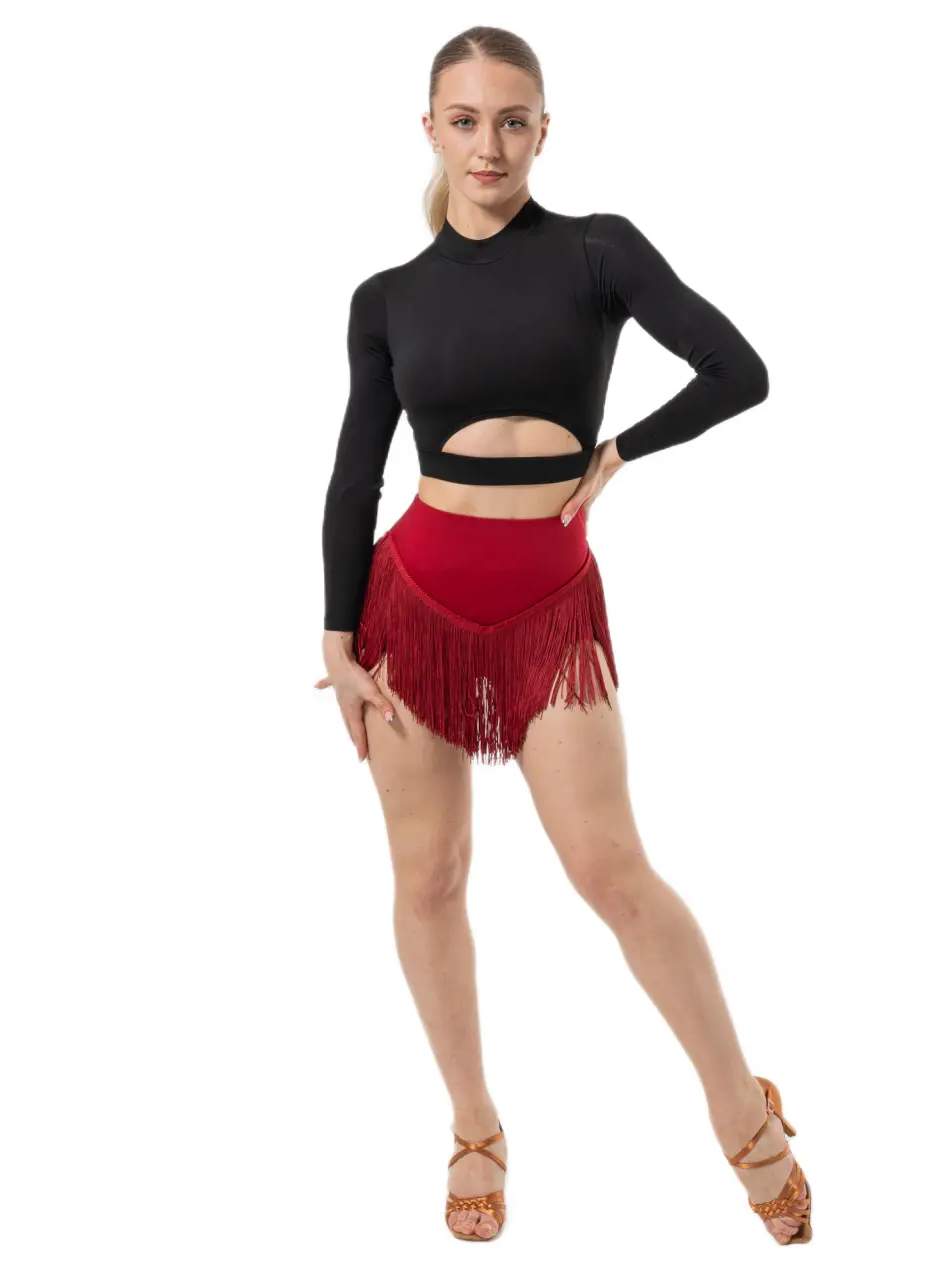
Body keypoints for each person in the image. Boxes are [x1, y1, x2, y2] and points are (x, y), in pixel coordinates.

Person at [315, 26, 811, 1246]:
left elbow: (736, 369)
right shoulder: (386, 298)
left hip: (549, 607)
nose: (488, 144)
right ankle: (474, 1123)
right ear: (429, 130)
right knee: (428, 877)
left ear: (543, 128)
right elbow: (353, 474)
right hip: (410, 611)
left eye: (511, 120)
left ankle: (739, 1107)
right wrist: (335, 635)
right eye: (465, 120)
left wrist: (624, 448)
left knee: (609, 869)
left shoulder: (597, 251)